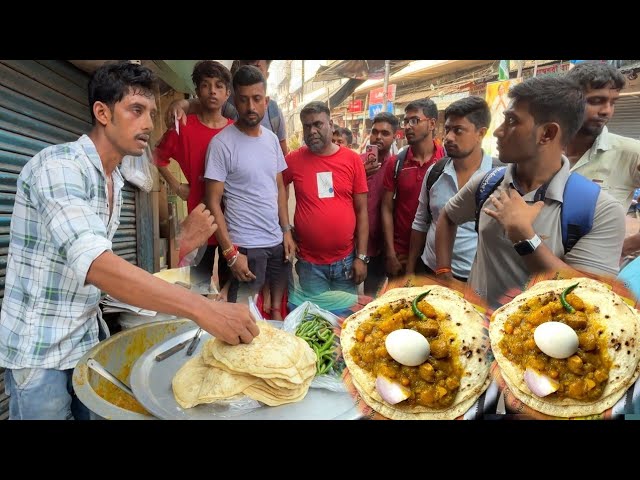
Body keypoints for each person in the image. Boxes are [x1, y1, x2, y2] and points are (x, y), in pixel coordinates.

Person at [0, 62, 258, 420]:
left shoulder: (115, 181)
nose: (149, 124)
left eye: (151, 112)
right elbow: (98, 266)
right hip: (40, 351)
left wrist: (182, 246)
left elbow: (113, 276)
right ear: (102, 113)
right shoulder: (59, 168)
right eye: (136, 110)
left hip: (85, 341)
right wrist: (205, 310)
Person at [435, 75, 625, 308]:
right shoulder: (488, 184)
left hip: (536, 340)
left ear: (547, 134)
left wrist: (525, 237)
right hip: (476, 330)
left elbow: (591, 298)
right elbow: (447, 216)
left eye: (512, 121)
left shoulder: (599, 210)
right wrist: (444, 273)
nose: (498, 132)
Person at [204, 65, 295, 318]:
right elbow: (213, 202)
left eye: (256, 99)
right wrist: (230, 254)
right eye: (243, 100)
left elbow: (278, 186)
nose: (251, 107)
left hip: (276, 246)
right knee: (242, 321)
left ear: (266, 101)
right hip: (244, 248)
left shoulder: (271, 140)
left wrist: (286, 231)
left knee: (278, 314)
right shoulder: (222, 144)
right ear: (234, 100)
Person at [153, 60, 233, 290]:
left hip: (233, 224)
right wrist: (176, 185)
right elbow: (157, 157)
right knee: (196, 289)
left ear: (227, 93)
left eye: (219, 86)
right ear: (197, 91)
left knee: (233, 291)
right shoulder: (184, 127)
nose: (213, 91)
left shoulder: (235, 131)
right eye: (206, 85)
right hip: (199, 223)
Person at [284, 101, 368, 315]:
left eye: (317, 124)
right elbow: (277, 189)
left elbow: (362, 211)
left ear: (331, 124)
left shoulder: (352, 160)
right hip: (310, 265)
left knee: (346, 318)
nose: (311, 131)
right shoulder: (293, 160)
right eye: (306, 126)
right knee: (318, 319)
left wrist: (362, 257)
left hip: (346, 262)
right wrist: (285, 229)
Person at [407, 96, 493, 281]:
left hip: (474, 278)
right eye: (447, 129)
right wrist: (410, 270)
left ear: (481, 133)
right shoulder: (435, 172)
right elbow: (421, 222)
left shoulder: (497, 178)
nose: (448, 138)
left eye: (458, 130)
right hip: (430, 271)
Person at [564, 62, 640, 261]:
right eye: (596, 101)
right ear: (568, 101)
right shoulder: (544, 149)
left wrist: (625, 247)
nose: (607, 111)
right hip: (535, 269)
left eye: (613, 102)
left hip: (593, 279)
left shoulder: (630, 152)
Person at [167, 60, 289, 156]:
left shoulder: (274, 112)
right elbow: (196, 103)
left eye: (256, 67)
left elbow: (282, 155)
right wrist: (178, 105)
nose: (249, 71)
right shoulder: (226, 102)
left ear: (266, 75)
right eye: (245, 64)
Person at [381, 99, 446, 278]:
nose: (408, 127)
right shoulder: (396, 163)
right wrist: (390, 252)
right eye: (406, 121)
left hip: (434, 255)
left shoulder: (447, 161)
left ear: (432, 123)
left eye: (414, 121)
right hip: (401, 254)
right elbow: (386, 208)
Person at [360, 112, 399, 296]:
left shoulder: (397, 165)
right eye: (375, 132)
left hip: (382, 245)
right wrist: (362, 174)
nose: (378, 137)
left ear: (394, 136)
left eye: (385, 133)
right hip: (357, 242)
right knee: (351, 296)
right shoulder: (358, 162)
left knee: (375, 295)